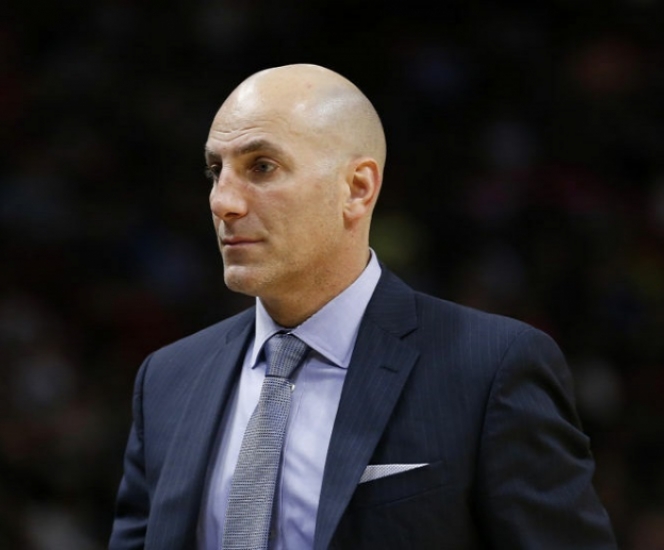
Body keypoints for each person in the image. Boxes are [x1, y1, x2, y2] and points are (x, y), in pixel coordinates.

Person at [108, 64, 617, 549]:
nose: (223, 201)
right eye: (216, 170)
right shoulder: (167, 379)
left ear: (357, 188)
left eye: (261, 167)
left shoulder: (491, 368)